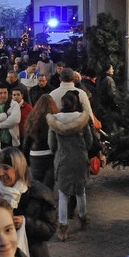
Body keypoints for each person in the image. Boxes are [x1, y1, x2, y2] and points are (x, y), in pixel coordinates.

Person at [0, 147, 56, 257]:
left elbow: (50, 230)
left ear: (18, 168)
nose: (0, 173)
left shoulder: (37, 194)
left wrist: (26, 223)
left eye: (5, 168)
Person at [47, 90, 93, 241]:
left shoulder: (54, 121)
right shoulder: (82, 119)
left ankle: (62, 227)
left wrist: (57, 152)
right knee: (80, 192)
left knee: (63, 194)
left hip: (63, 159)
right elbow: (89, 141)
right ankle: (83, 217)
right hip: (79, 158)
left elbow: (51, 144)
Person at [23, 94, 58, 190]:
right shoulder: (55, 118)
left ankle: (39, 204)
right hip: (50, 154)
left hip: (35, 155)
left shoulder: (32, 118)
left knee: (37, 185)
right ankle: (49, 203)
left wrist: (25, 158)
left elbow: (27, 140)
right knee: (49, 185)